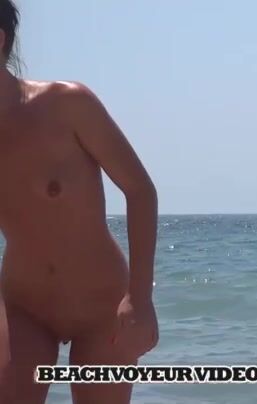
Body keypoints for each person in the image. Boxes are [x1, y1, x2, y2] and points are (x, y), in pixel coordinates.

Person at [0, 1, 159, 403]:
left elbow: (140, 190)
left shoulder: (67, 105)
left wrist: (140, 299)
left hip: (102, 306)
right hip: (24, 307)